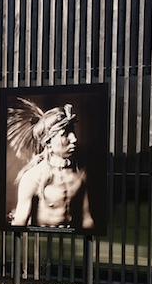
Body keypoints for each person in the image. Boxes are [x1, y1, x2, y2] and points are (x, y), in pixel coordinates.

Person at [7, 98, 94, 229]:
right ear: (48, 142)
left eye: (73, 131)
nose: (74, 139)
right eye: (65, 134)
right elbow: (19, 223)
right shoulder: (33, 177)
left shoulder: (81, 173)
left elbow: (86, 218)